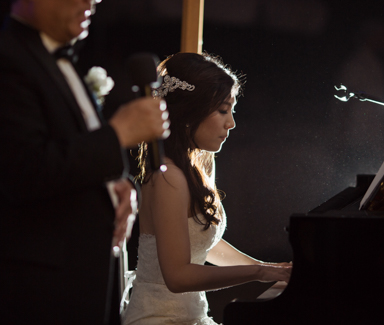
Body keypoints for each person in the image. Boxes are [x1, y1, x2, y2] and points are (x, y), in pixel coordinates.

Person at [0, 0, 169, 324]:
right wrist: (119, 133)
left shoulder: (59, 61)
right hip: (29, 302)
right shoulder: (2, 65)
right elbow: (25, 172)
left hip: (82, 294)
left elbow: (69, 161)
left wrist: (115, 185)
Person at [122, 52, 292, 325]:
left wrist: (273, 269)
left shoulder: (196, 166)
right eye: (223, 110)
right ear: (191, 111)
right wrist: (258, 273)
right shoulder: (168, 177)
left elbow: (203, 245)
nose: (232, 123)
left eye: (232, 110)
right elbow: (177, 277)